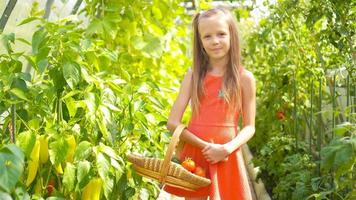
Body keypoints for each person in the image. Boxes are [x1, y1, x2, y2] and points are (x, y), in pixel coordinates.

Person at [164, 6, 256, 200]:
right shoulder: (193, 76)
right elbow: (173, 123)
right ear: (200, 41)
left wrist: (225, 149)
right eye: (207, 36)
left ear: (231, 35)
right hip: (196, 154)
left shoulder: (245, 78)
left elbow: (249, 127)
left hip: (227, 155)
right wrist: (206, 147)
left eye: (221, 34)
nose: (215, 41)